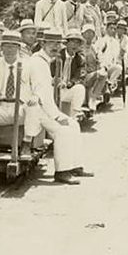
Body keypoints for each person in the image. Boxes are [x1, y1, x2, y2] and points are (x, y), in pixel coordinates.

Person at [29, 29, 94, 185]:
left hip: (43, 107)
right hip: (35, 110)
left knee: (74, 125)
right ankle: (62, 171)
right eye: (51, 43)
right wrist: (57, 116)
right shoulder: (38, 62)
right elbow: (42, 95)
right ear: (43, 43)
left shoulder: (47, 60)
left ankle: (75, 165)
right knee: (63, 130)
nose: (55, 47)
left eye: (58, 43)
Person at [0, 31, 41, 159]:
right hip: (0, 108)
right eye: (6, 46)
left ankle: (26, 143)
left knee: (34, 106)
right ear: (1, 48)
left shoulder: (29, 65)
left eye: (13, 46)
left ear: (18, 48)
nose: (9, 49)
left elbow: (38, 86)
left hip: (21, 109)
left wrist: (35, 96)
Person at [51, 29, 86, 120]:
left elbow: (79, 76)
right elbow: (50, 72)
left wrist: (69, 83)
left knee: (80, 88)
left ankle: (75, 113)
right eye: (72, 42)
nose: (74, 45)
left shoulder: (79, 59)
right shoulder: (57, 56)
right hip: (53, 88)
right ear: (66, 43)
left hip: (67, 89)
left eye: (77, 43)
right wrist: (56, 80)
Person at [81, 23, 107, 112]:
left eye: (91, 33)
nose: (89, 35)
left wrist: (102, 66)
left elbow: (100, 59)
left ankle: (93, 97)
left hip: (92, 74)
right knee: (100, 74)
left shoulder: (94, 48)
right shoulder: (80, 48)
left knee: (103, 73)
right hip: (82, 76)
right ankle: (90, 98)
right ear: (82, 34)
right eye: (87, 33)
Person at [95, 12, 122, 92]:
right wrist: (103, 65)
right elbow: (98, 54)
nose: (113, 30)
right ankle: (104, 87)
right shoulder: (101, 40)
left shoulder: (116, 42)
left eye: (114, 29)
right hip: (102, 66)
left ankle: (110, 83)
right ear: (107, 29)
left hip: (110, 66)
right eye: (111, 28)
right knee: (102, 71)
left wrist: (112, 64)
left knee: (119, 68)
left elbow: (116, 56)